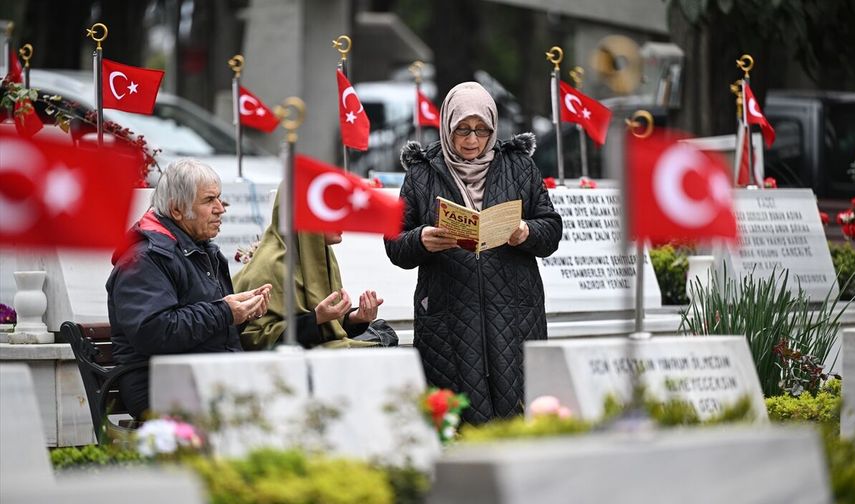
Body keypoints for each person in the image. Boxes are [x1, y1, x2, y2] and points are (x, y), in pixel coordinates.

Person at [384, 82, 562, 424]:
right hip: (449, 316)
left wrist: (525, 232)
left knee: (518, 413)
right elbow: (395, 243)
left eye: (482, 130)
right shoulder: (422, 173)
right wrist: (422, 239)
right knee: (461, 419)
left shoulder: (519, 167)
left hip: (514, 313)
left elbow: (551, 229)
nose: (471, 141)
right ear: (447, 126)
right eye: (462, 130)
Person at [107, 159, 272, 419]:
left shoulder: (204, 251)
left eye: (219, 199)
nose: (221, 209)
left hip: (206, 376)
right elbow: (155, 331)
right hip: (162, 386)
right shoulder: (144, 259)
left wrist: (242, 312)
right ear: (176, 210)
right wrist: (224, 312)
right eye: (209, 201)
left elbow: (209, 328)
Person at [232, 186, 384, 350]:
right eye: (332, 211)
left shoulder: (320, 252)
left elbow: (329, 328)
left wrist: (356, 318)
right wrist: (316, 318)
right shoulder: (269, 266)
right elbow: (253, 340)